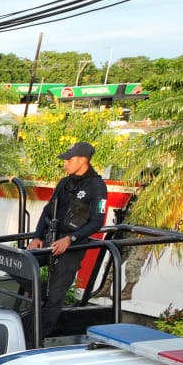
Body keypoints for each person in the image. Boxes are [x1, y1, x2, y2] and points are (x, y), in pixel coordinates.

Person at [28, 141, 109, 341]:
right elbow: (48, 210)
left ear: (83, 160)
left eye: (69, 160)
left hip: (72, 246)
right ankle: (41, 293)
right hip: (49, 239)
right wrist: (37, 236)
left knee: (56, 297)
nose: (65, 164)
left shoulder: (97, 186)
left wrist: (70, 239)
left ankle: (37, 338)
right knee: (20, 264)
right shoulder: (64, 183)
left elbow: (97, 222)